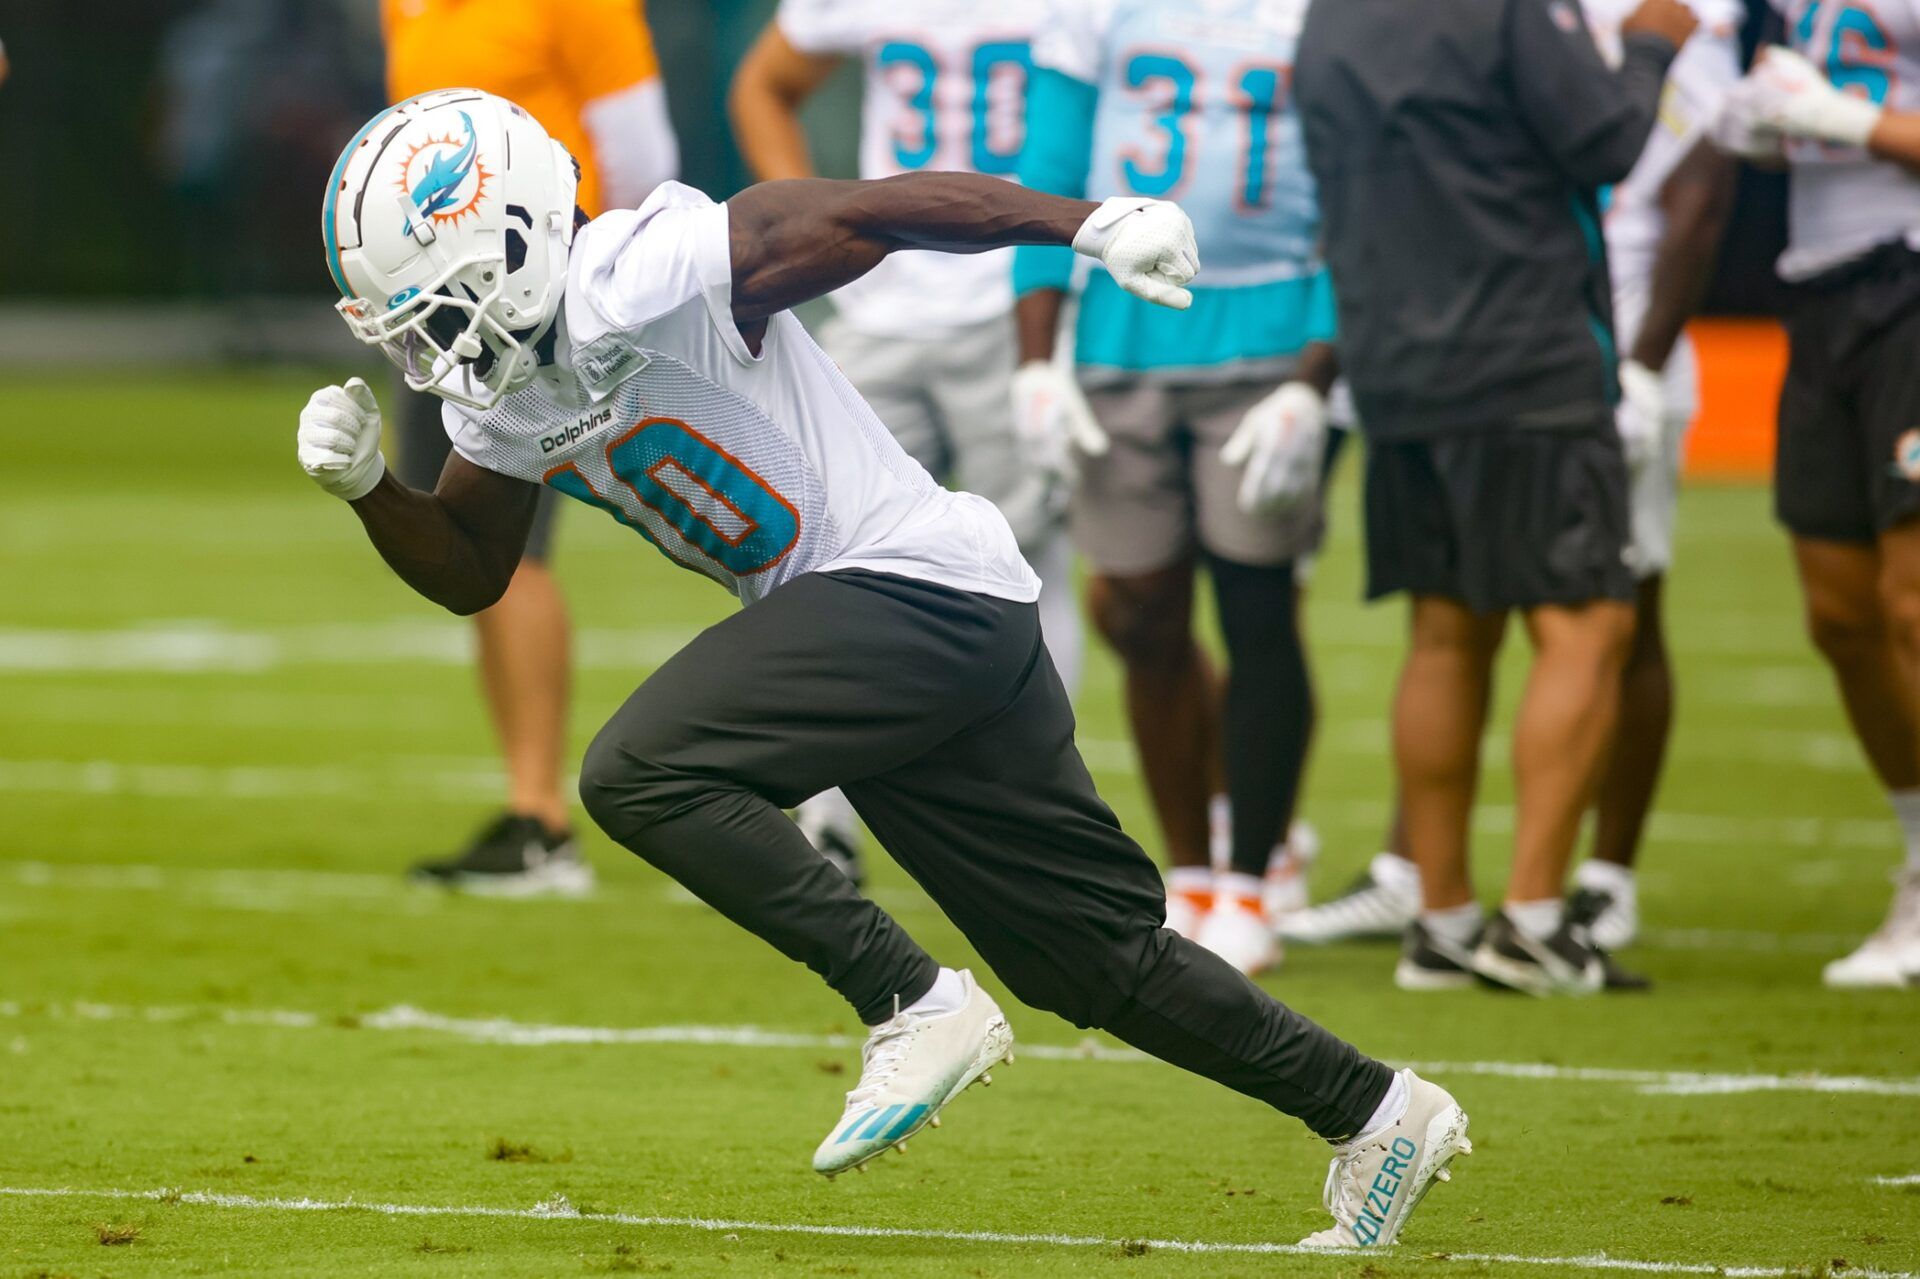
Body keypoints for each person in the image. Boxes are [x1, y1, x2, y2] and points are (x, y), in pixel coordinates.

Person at [302, 88, 1471, 1245]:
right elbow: (471, 569)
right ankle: (1377, 1110)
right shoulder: (500, 393)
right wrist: (373, 494)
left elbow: (875, 211)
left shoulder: (644, 268)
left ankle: (912, 1002)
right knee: (1095, 965)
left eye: (440, 310)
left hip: (910, 587)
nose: (433, 347)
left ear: (512, 235)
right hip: (923, 631)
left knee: (639, 770)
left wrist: (1086, 222)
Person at [1278, 0, 1742, 957]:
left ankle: (1440, 920)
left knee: (1443, 632)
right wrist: (1652, 45)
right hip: (1522, 352)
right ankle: (1532, 922)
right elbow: (1609, 140)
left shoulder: (1329, 15)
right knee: (1587, 621)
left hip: (1391, 358)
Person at [1011, 0, 1337, 973]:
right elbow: (1049, 180)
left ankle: (1248, 879)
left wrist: (1317, 379)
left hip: (1271, 340)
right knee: (1142, 611)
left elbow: (1355, 198)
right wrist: (1033, 357)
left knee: (1257, 600)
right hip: (1124, 331)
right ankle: (1190, 875)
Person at [726, 0, 1078, 885]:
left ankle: (1038, 814)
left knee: (1029, 559)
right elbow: (764, 86)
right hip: (884, 308)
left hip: (1019, 304)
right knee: (824, 552)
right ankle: (828, 814)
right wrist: (806, 229)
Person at [379, 0, 678, 893]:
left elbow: (643, 153)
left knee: (518, 556)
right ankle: (528, 806)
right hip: (440, 311)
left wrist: (597, 298)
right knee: (469, 543)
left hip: (535, 307)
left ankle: (542, 817)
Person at [1712, 18, 1920, 988]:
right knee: (1840, 612)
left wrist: (1842, 116)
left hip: (1911, 282)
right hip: (1820, 293)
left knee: (1910, 601)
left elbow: (1863, 116)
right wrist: (1767, 123)